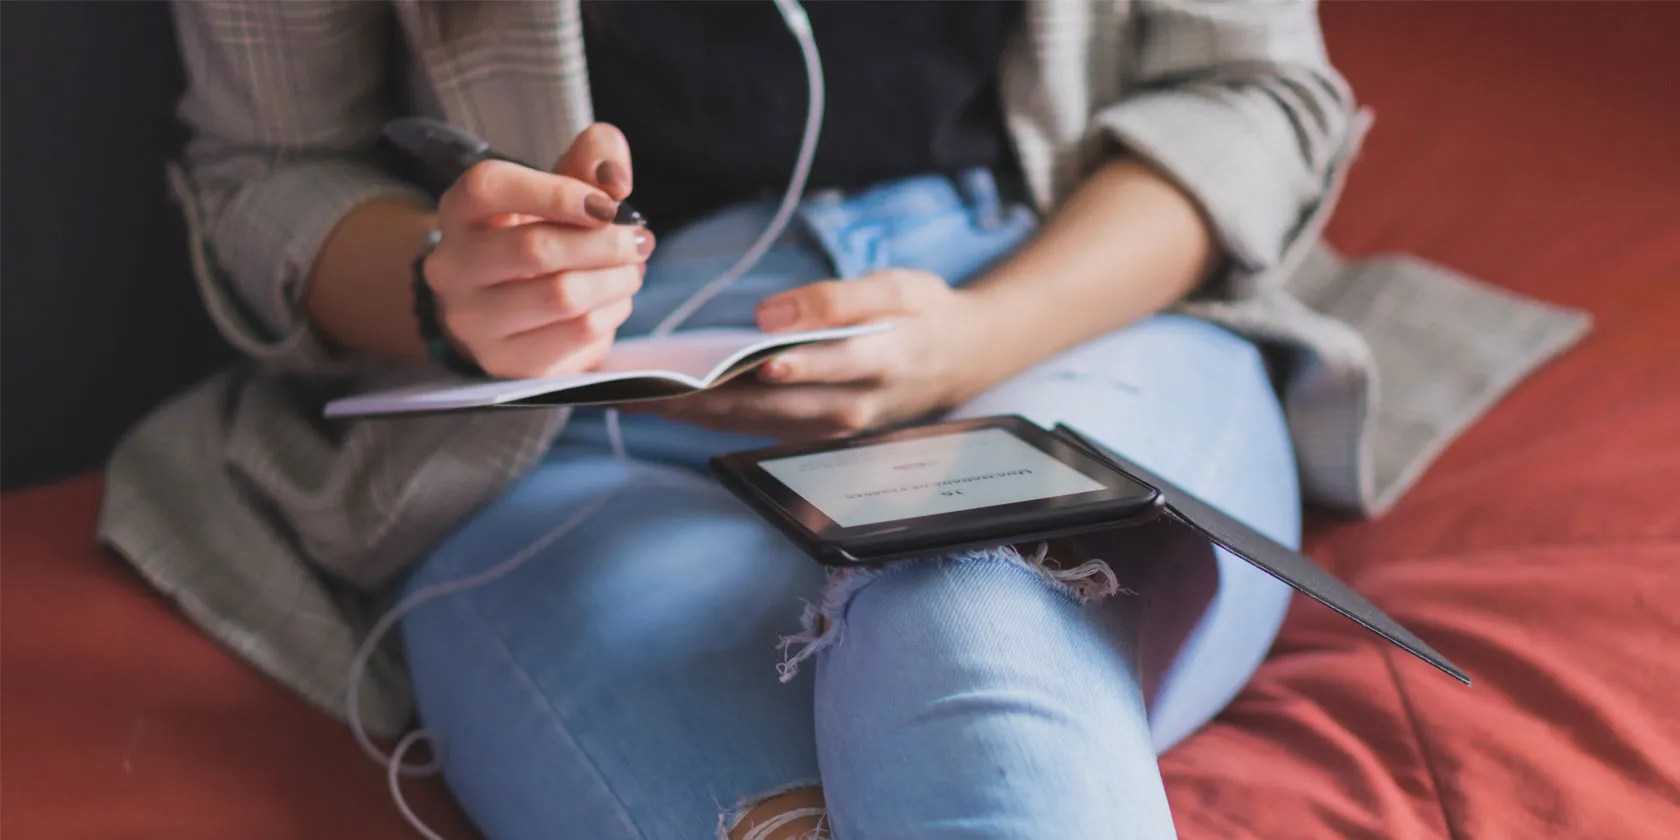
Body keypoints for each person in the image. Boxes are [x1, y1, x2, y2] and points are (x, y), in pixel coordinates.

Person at [100, 1, 1585, 838]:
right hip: (577, 409)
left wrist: (987, 337)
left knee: (977, 603)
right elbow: (265, 175)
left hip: (1056, 305)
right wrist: (448, 283)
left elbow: (1257, 90)